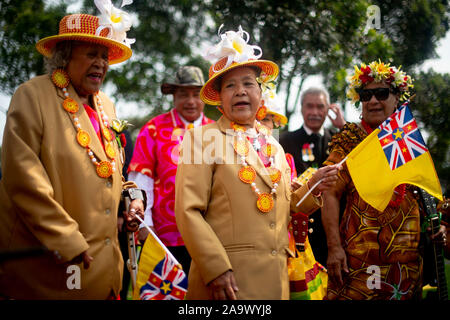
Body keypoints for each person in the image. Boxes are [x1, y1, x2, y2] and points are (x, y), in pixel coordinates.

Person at [174, 26, 341, 300]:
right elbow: (187, 211)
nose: (240, 91)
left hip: (276, 281)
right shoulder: (199, 139)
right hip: (228, 284)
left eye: (248, 84)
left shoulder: (274, 145)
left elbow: (284, 207)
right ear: (220, 97)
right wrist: (215, 268)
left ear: (260, 94)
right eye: (231, 85)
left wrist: (314, 185)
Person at [0, 1, 145, 299]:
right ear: (64, 57)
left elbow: (109, 168)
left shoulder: (106, 105)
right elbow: (22, 179)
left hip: (105, 267)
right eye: (92, 54)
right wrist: (66, 238)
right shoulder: (32, 95)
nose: (101, 63)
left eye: (105, 56)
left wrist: (131, 197)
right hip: (48, 263)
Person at [322, 60, 447, 300]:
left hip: (406, 270)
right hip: (359, 267)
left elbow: (428, 194)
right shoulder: (350, 140)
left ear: (397, 97)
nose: (372, 101)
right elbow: (329, 192)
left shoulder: (408, 139)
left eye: (381, 93)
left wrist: (438, 226)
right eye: (366, 95)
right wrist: (334, 248)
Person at [127, 66, 214, 275]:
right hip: (165, 233)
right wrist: (144, 225)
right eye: (183, 94)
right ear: (174, 97)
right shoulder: (154, 129)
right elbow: (141, 179)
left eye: (196, 94)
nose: (191, 101)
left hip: (211, 233)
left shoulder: (216, 131)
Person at [260, 87, 328, 300]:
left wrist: (309, 189)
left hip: (302, 241)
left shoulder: (283, 156)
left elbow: (292, 202)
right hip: (260, 247)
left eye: (269, 120)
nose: (263, 126)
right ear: (301, 109)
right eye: (259, 119)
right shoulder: (285, 142)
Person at [280, 87, 346, 266]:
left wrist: (343, 126)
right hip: (299, 233)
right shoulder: (284, 141)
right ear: (301, 108)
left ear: (328, 109)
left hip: (334, 234)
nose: (315, 112)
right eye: (309, 106)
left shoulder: (339, 139)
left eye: (320, 107)